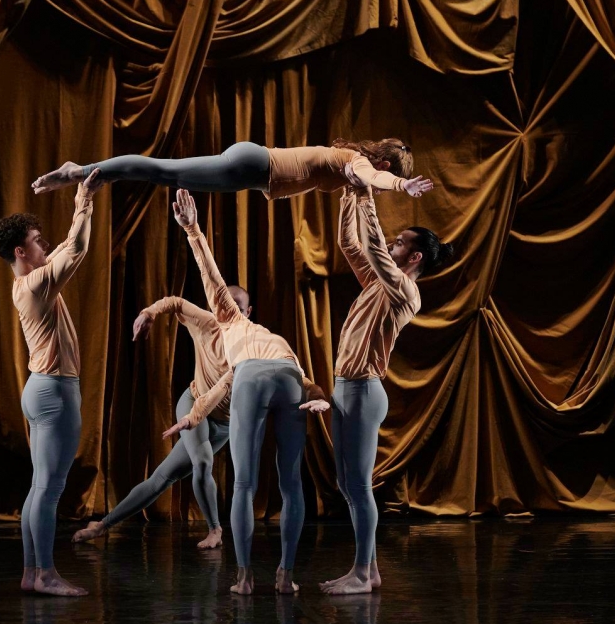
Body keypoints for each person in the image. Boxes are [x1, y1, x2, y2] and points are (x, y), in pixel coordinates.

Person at [167, 188, 330, 594]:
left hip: (252, 376)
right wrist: (320, 396)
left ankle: (244, 578)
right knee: (291, 482)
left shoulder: (230, 321)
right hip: (288, 376)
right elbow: (303, 379)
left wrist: (193, 230)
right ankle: (286, 576)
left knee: (244, 484)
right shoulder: (276, 338)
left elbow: (212, 278)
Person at [320, 163, 453, 595]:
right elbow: (350, 244)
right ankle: (368, 570)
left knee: (359, 485)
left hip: (363, 391)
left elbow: (375, 248)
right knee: (346, 484)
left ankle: (363, 573)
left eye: (401, 243)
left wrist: (366, 195)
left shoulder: (405, 290)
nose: (392, 244)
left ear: (414, 258)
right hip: (345, 388)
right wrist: (348, 192)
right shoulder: (379, 282)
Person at [0, 169, 103, 596]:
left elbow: (68, 247)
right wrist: (84, 199)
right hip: (54, 391)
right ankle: (46, 574)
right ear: (21, 251)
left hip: (40, 388)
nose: (45, 244)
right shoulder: (35, 285)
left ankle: (31, 572)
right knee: (50, 490)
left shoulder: (29, 283)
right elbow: (78, 248)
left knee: (40, 487)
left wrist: (82, 199)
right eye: (37, 240)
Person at [71, 291, 250, 549]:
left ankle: (101, 526)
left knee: (161, 479)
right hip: (193, 404)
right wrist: (149, 313)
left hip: (223, 425)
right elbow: (176, 302)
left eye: (238, 309)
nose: (229, 315)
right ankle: (215, 530)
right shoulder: (206, 323)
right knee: (202, 462)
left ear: (248, 312)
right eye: (224, 308)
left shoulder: (254, 342)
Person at [31, 138, 433, 201]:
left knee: (164, 175)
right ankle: (80, 170)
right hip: (253, 166)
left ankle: (95, 173)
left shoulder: (346, 163)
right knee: (163, 171)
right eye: (388, 172)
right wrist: (401, 186)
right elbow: (373, 177)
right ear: (384, 163)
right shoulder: (356, 162)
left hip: (251, 170)